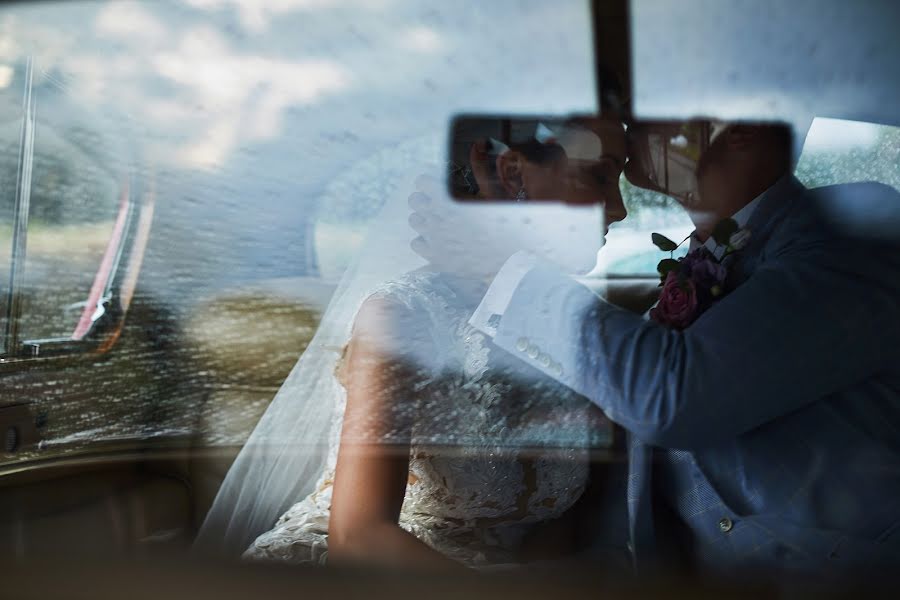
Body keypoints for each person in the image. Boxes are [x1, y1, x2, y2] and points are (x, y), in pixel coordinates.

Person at [409, 118, 900, 579]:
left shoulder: (852, 237)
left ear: (741, 130)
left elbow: (678, 397)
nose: (631, 122)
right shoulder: (705, 256)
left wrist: (500, 264)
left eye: (653, 101)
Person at [195, 119, 630, 568]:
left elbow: (559, 518)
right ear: (513, 174)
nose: (619, 208)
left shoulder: (575, 316)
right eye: (598, 176)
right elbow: (360, 538)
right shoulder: (404, 314)